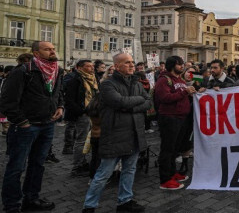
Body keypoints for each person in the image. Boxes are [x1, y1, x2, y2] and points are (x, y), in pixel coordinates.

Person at [0, 41, 64, 213]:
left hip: (47, 124)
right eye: (47, 49)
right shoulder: (23, 71)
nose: (52, 51)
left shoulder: (56, 70)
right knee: (16, 167)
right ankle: (12, 205)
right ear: (36, 53)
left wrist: (60, 107)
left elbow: (57, 93)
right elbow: (7, 101)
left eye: (53, 49)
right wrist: (22, 122)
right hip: (25, 127)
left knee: (38, 164)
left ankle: (31, 199)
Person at [82, 53, 150, 212]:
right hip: (115, 134)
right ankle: (89, 206)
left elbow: (148, 102)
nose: (132, 65)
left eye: (132, 62)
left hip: (134, 134)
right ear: (117, 66)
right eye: (127, 63)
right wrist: (137, 101)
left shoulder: (137, 83)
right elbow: (119, 102)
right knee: (103, 174)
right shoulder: (107, 84)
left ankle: (125, 201)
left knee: (129, 170)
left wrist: (131, 107)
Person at [154, 56, 193, 190]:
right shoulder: (163, 80)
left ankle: (172, 173)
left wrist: (190, 93)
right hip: (169, 118)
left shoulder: (179, 79)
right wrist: (184, 92)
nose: (182, 66)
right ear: (172, 65)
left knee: (175, 148)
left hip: (181, 118)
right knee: (167, 149)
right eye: (179, 64)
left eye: (182, 64)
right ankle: (165, 180)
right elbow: (165, 98)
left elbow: (181, 94)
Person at [64, 59, 97, 177]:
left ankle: (83, 162)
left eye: (92, 66)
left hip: (94, 113)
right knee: (81, 140)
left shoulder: (93, 78)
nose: (91, 68)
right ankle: (77, 166)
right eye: (88, 66)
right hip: (83, 114)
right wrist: (82, 111)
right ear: (79, 68)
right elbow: (70, 99)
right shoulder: (75, 79)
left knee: (91, 139)